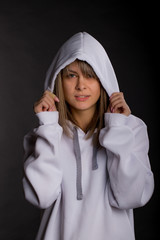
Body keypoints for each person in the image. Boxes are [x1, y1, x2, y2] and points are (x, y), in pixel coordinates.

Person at [23, 32, 154, 240]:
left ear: (103, 79)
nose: (81, 85)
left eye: (90, 75)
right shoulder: (44, 133)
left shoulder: (131, 129)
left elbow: (132, 197)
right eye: (71, 75)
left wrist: (117, 129)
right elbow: (42, 197)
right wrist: (48, 127)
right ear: (59, 80)